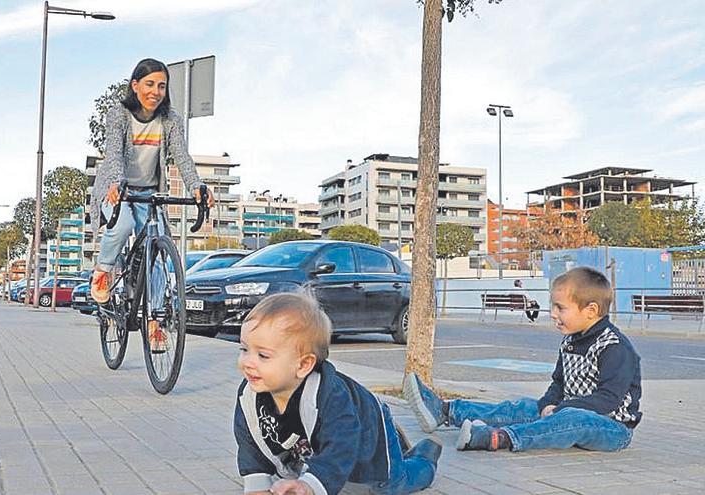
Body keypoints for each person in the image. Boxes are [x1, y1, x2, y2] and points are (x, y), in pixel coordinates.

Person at [405, 267, 641, 453]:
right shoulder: (570, 341)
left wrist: (561, 408)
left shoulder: (614, 347)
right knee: (523, 407)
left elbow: (608, 399)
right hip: (565, 412)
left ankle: (499, 438)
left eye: (561, 308)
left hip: (611, 428)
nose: (554, 314)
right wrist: (546, 406)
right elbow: (559, 383)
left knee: (574, 419)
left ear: (590, 310)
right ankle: (446, 411)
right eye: (553, 307)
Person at [234, 292, 441, 495]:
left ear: (304, 365)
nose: (248, 362)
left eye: (263, 355)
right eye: (244, 349)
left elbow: (341, 444)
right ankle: (398, 446)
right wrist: (257, 483)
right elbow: (249, 440)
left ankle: (424, 458)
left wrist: (310, 485)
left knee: (388, 485)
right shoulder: (250, 395)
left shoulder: (331, 396)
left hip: (368, 426)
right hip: (328, 436)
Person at [89, 58, 213, 351]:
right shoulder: (118, 115)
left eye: (161, 85)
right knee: (123, 226)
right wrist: (117, 182)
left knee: (155, 251)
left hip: (148, 192)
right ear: (135, 85)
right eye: (149, 84)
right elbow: (114, 154)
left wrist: (196, 186)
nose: (155, 91)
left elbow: (181, 157)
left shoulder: (169, 119)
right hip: (114, 188)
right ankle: (103, 271)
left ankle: (154, 322)